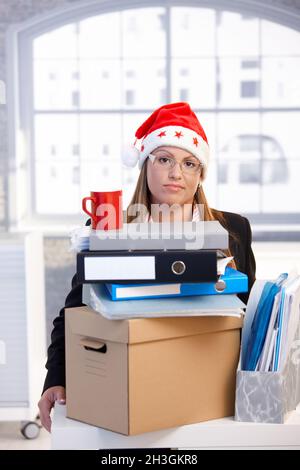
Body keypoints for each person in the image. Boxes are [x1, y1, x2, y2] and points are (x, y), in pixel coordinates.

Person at [38, 102, 256, 432]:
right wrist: (55, 378)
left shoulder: (233, 229)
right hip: (130, 379)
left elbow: (250, 315)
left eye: (189, 163)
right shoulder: (109, 227)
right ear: (145, 166)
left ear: (200, 175)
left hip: (210, 387)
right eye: (164, 159)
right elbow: (74, 312)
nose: (176, 173)